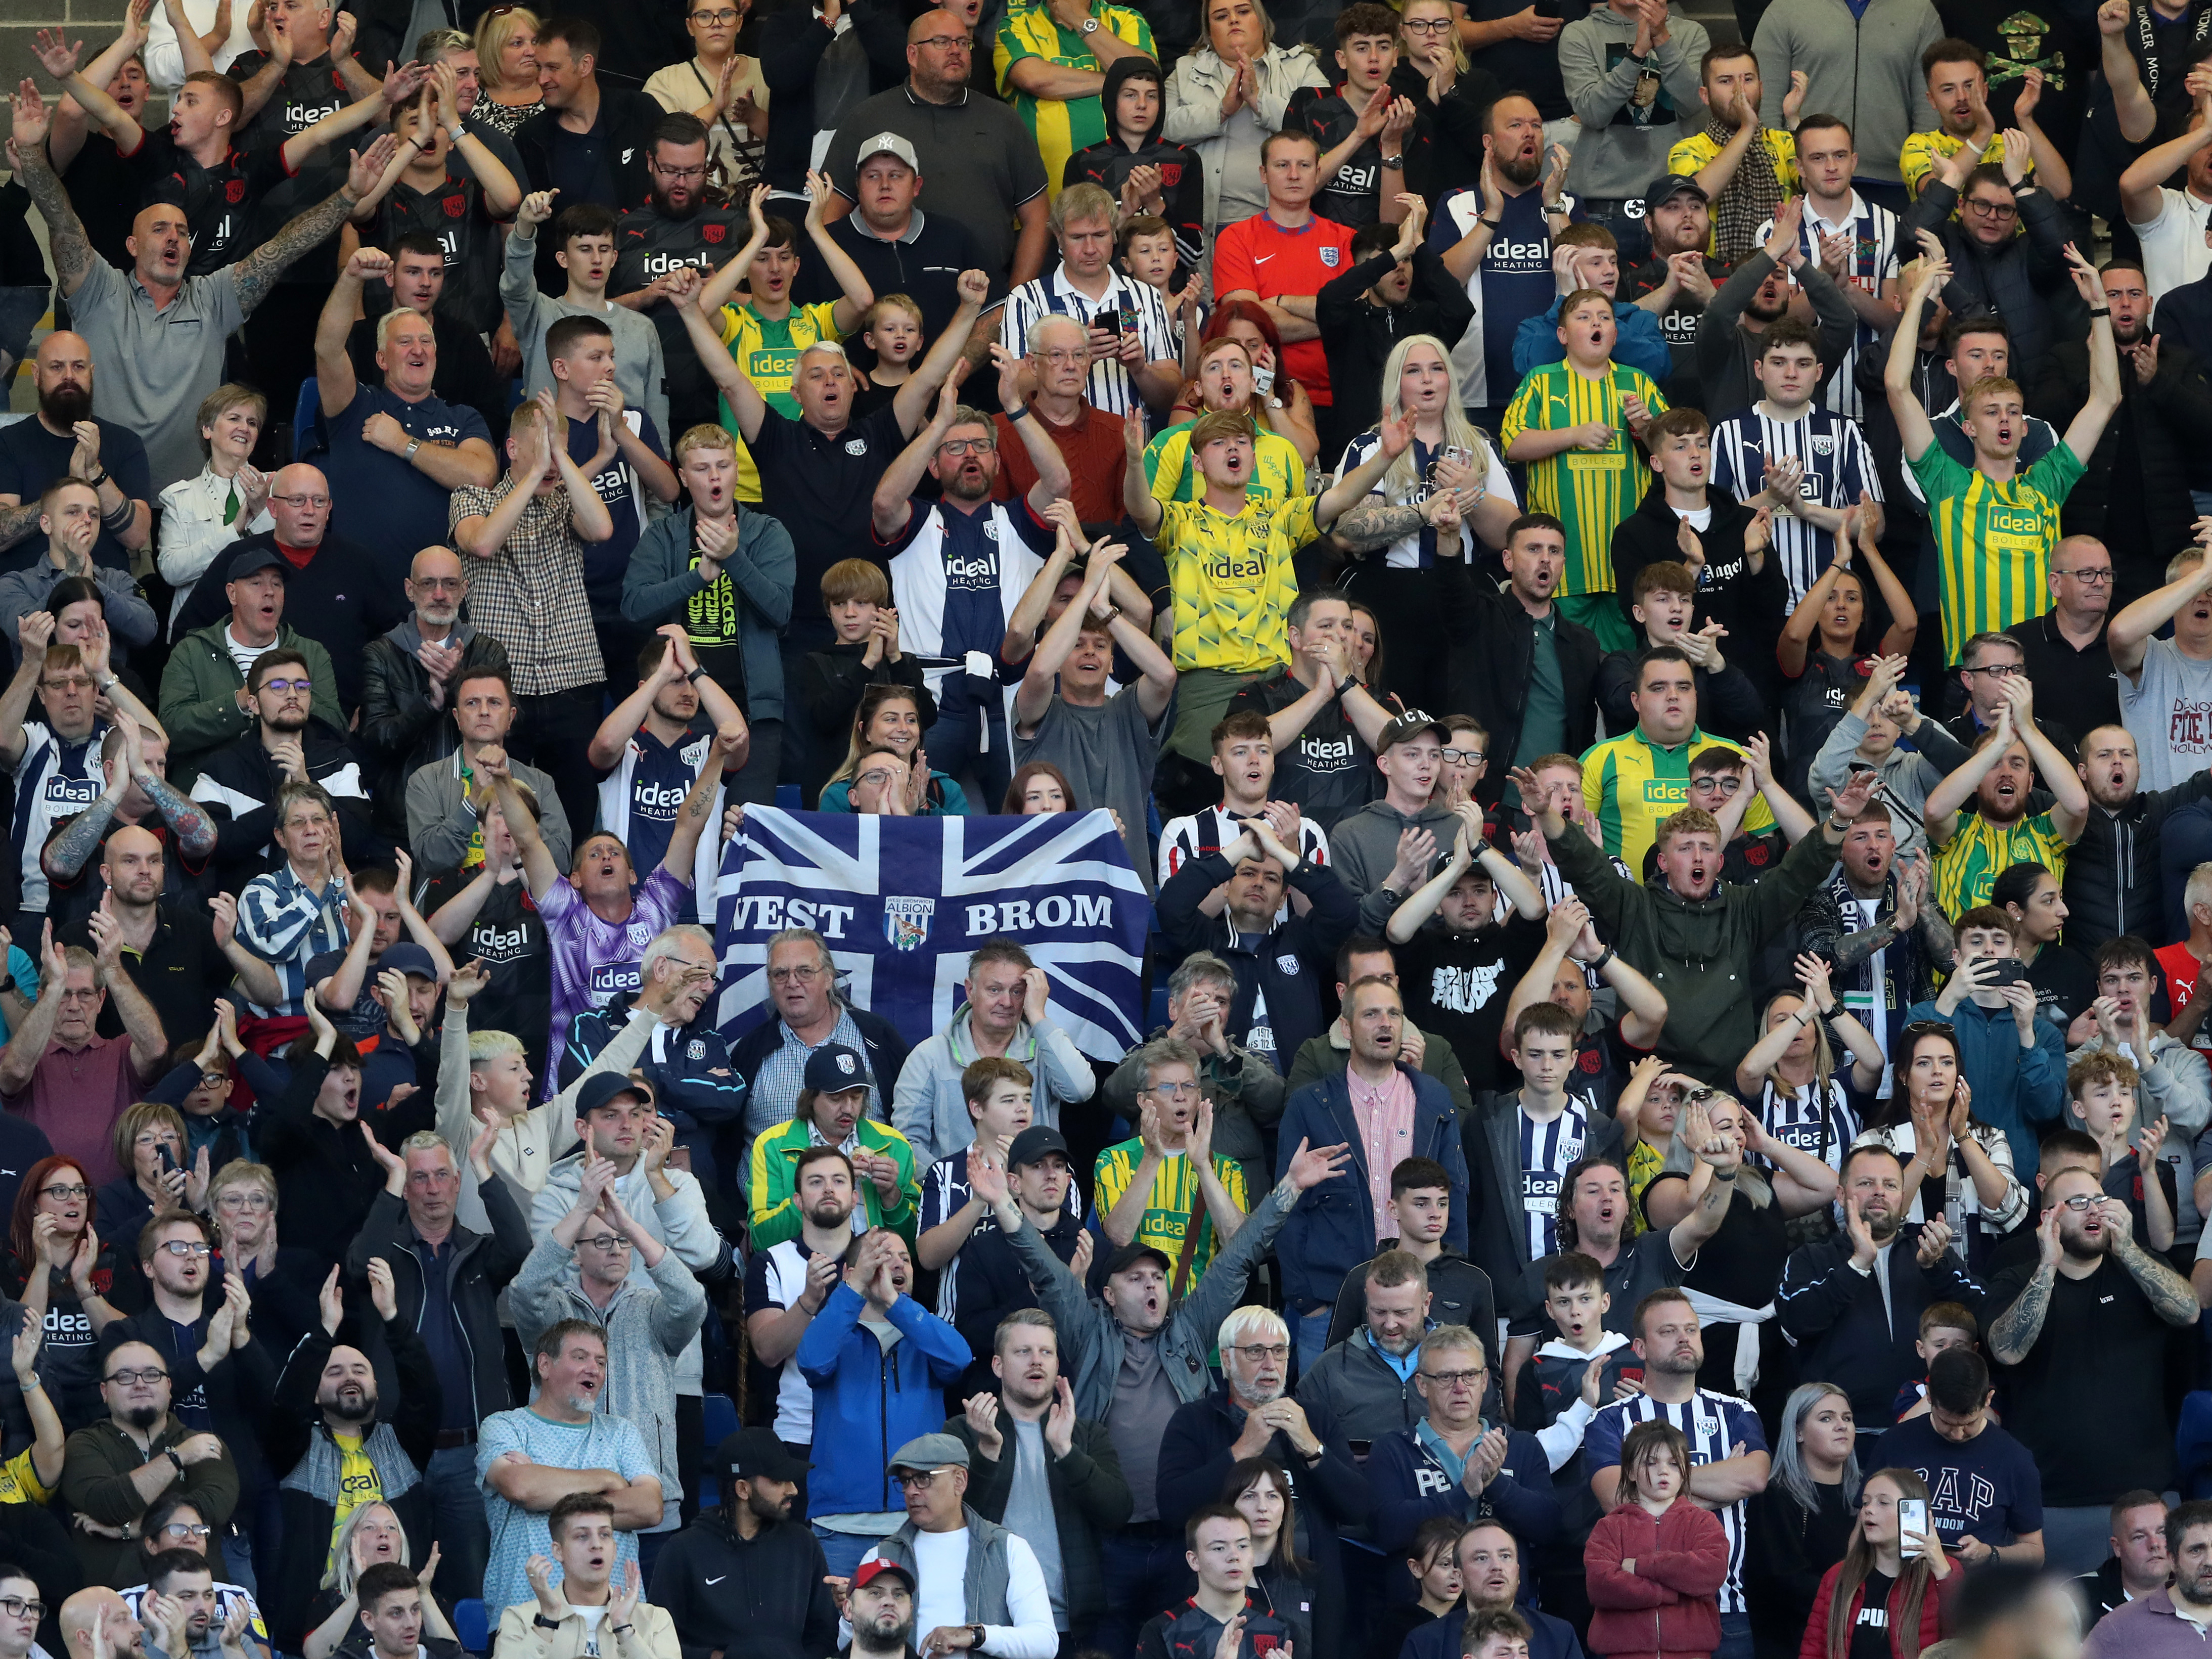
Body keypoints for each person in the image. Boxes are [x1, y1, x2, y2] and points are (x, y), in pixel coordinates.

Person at [975, 1135, 1344, 1656]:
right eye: (1136, 1277)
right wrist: (1002, 1205)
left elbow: (1237, 1257)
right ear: (1107, 1292)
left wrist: (1288, 1188)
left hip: (1184, 1535)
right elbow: (1046, 1273)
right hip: (1108, 1536)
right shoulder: (1085, 1329)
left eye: (1158, 1276)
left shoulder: (1188, 1325)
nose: (1153, 1285)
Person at [8, 84, 390, 498]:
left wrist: (350, 194)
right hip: (103, 496)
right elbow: (62, 220)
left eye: (183, 232)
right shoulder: (98, 288)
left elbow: (284, 248)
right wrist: (31, 153)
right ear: (132, 246)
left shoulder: (215, 298)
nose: (174, 237)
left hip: (186, 507)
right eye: (159, 229)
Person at [1985, 1166, 2201, 1574]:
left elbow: (2188, 1312)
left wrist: (2130, 1251)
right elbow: (2006, 1350)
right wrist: (2047, 1265)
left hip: (2147, 1499)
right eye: (2078, 1201)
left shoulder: (2138, 1268)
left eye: (2100, 1199)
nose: (2094, 1210)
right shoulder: (2015, 1278)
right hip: (2054, 1501)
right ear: (2048, 1216)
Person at [1273, 974, 1470, 1365]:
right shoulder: (1309, 1105)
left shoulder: (1433, 1098)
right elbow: (1287, 1206)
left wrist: (1452, 1284)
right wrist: (1306, 1299)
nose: (1386, 1023)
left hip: (1418, 1303)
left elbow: (1457, 1196)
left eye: (1394, 1013)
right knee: (1325, 1423)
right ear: (1345, 1027)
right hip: (1329, 1303)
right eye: (1371, 1014)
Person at [1328, 331, 1518, 714]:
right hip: (1388, 599)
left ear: (1450, 378)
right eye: (1414, 371)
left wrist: (1472, 495)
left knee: (1463, 714)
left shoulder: (1480, 447)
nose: (1428, 379)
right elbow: (1347, 534)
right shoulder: (1369, 447)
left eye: (1437, 369)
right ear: (1396, 384)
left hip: (1462, 592)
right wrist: (1422, 512)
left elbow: (1508, 537)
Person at [262, 1259, 440, 1653]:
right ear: (315, 1389)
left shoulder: (402, 1442)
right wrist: (323, 1332)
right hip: (321, 1614)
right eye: (334, 1371)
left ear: (376, 1384)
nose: (349, 1377)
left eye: (360, 1370)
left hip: (399, 1616)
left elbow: (425, 1389)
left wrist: (392, 1318)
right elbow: (285, 1404)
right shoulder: (297, 1447)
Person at [1585, 1290, 1771, 1659]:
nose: (1684, 1338)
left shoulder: (1735, 1411)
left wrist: (1652, 1489)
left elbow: (1753, 1478)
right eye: (1668, 1331)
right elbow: (1617, 1500)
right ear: (1639, 1347)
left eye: (1691, 1329)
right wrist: (1721, 1487)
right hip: (1633, 1617)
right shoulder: (1608, 1419)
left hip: (1726, 1607)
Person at [620, 427, 794, 810]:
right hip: (679, 712)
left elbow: (779, 612)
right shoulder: (663, 536)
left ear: (735, 471)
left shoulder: (768, 533)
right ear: (683, 477)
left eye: (723, 466)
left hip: (751, 711)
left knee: (743, 832)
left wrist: (733, 557)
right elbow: (633, 607)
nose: (714, 477)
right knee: (678, 832)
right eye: (701, 468)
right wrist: (697, 577)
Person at [310, 248, 501, 588]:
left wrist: (403, 444)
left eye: (426, 341)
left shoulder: (462, 418)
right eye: (405, 342)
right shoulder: (356, 405)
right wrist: (351, 279)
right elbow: (327, 348)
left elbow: (481, 474)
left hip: (440, 593)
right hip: (358, 588)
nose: (418, 349)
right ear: (382, 359)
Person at [819, 12, 1052, 286]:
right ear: (912, 55)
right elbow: (830, 217)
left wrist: (1014, 300)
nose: (955, 50)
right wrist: (853, 294)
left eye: (963, 43)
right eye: (942, 42)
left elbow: (1038, 218)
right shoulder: (867, 119)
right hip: (889, 303)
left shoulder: (1004, 121)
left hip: (987, 295)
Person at [941, 1307, 1130, 1645]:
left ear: (1058, 1364)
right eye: (1023, 1351)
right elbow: (949, 1519)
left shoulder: (1086, 1434)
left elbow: (1116, 1511)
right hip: (988, 1622)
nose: (1036, 1361)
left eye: (1046, 1352)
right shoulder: (964, 1430)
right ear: (998, 1365)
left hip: (1070, 1625)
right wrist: (986, 1450)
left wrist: (1067, 1451)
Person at [1500, 289, 1668, 651]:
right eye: (1584, 317)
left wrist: (1646, 429)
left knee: (1627, 678)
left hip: (1628, 567)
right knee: (1569, 679)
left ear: (1615, 333)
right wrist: (1573, 434)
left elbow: (1670, 457)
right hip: (1562, 571)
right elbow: (1512, 444)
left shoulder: (1638, 383)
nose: (1596, 323)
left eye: (1605, 317)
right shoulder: (1539, 382)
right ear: (1562, 335)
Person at [794, 1232, 970, 1578]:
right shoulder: (834, 1330)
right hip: (839, 1524)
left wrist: (895, 1302)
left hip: (919, 1520)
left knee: (923, 1632)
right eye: (884, 1256)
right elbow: (811, 1360)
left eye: (905, 1258)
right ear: (853, 1271)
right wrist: (854, 1288)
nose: (898, 1264)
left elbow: (959, 1358)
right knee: (840, 1631)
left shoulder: (924, 1332)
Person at [476, 1321, 665, 1618]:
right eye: (580, 1357)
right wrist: (608, 1479)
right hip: (526, 1617)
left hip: (615, 1620)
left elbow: (650, 1507)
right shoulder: (505, 1426)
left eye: (600, 1362)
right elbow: (521, 1487)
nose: (594, 1369)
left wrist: (545, 1484)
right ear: (544, 1365)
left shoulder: (622, 1433)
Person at [1155, 810, 1359, 1077]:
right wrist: (1240, 848)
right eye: (1248, 873)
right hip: (1222, 1097)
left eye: (1272, 878)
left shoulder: (1303, 940)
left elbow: (1345, 913)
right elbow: (1171, 906)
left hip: (1296, 1098)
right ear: (1226, 887)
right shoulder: (1203, 941)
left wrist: (1286, 855)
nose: (1259, 883)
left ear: (1284, 898)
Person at [1711, 317, 1890, 609]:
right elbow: (1712, 526)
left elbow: (1876, 526)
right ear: (1759, 369)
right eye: (1779, 362)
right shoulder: (1728, 431)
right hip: (1751, 602)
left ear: (1819, 372)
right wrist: (1772, 498)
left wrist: (1804, 509)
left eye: (1803, 364)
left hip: (1829, 605)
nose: (1791, 373)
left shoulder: (1844, 432)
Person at [892, 941, 1098, 1173]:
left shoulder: (1045, 1048)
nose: (1007, 1002)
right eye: (994, 990)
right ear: (970, 991)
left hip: (1032, 1198)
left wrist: (1038, 1016)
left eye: (1017, 991)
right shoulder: (929, 1056)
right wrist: (953, 1187)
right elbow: (907, 1143)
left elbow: (1081, 1090)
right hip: (958, 1202)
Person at [358, 549, 512, 848]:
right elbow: (375, 740)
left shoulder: (489, 652)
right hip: (404, 819)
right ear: (409, 589)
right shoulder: (381, 654)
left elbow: (513, 728)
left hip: (484, 815)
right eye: (429, 584)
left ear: (464, 590)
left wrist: (458, 684)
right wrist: (430, 704)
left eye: (450, 584)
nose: (440, 594)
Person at [60, 1339, 238, 1588]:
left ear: (169, 1385)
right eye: (125, 1377)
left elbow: (214, 1505)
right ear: (104, 1392)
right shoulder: (82, 1444)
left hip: (199, 1604)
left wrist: (132, 1529)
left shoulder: (202, 1443)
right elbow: (106, 1504)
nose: (140, 1384)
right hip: (114, 1609)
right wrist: (178, 1458)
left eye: (152, 1375)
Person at [1367, 1322, 1559, 1554]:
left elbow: (1549, 1529)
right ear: (1422, 1384)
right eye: (1446, 1377)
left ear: (1485, 1380)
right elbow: (1386, 1531)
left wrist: (1495, 1482)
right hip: (1420, 1590)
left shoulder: (1522, 1446)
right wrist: (1464, 1492)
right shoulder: (1392, 1450)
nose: (1460, 1388)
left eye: (1470, 1375)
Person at [647, 1429, 838, 1659]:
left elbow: (825, 1633)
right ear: (743, 1489)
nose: (793, 1490)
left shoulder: (804, 1543)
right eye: (779, 1481)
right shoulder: (682, 1551)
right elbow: (658, 1640)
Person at [1157, 0, 1328, 236]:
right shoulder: (1186, 69)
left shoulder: (1300, 67)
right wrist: (1221, 111)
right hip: (1204, 224)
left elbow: (1327, 129)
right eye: (1220, 16)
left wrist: (1259, 101)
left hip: (1284, 222)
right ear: (1209, 32)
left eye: (1243, 11)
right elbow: (1160, 129)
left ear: (1262, 21)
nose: (1233, 20)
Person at [1867, 1347, 2043, 1566]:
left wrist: (1989, 1553)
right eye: (1947, 1423)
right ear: (1929, 1396)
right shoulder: (1894, 1443)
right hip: (1901, 1582)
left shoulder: (2015, 1459)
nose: (1958, 1434)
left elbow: (2035, 1552)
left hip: (1971, 1593)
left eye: (1969, 1423)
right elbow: (1861, 1527)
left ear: (1989, 1399)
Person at [1923, 684, 2088, 919]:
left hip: (2035, 957)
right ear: (1975, 780)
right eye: (1993, 764)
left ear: (2031, 782)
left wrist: (2028, 729)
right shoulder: (1956, 832)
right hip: (1966, 955)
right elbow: (1934, 811)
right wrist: (1999, 742)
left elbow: (2079, 805)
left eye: (2017, 764)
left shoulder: (2046, 834)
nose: (2007, 773)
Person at [0, 333, 153, 578]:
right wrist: (66, 492)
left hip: (106, 593)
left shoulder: (125, 442)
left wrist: (96, 473)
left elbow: (137, 537)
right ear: (37, 375)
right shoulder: (8, 442)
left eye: (78, 367)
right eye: (57, 367)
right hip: (27, 595)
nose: (69, 376)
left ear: (91, 374)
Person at [1586, 1418, 1731, 1659]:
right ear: (1631, 1471)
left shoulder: (1703, 1522)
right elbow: (1601, 1586)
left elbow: (1711, 1572)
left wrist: (1642, 1566)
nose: (1664, 1471)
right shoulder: (1610, 1526)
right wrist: (1670, 1592)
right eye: (1651, 1463)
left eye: (1674, 1464)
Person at [749, 1046, 920, 1245]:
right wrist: (822, 1187)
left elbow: (917, 1244)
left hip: (878, 1266)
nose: (848, 1108)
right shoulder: (772, 1145)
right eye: (835, 1098)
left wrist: (892, 1196)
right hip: (805, 1269)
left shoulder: (895, 1144)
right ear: (811, 1098)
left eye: (857, 1096)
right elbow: (761, 1238)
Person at [1743, 1382, 1861, 1659]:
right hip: (1794, 1645)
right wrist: (1859, 1601)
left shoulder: (1869, 1495)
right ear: (1797, 1432)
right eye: (1826, 1418)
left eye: (1847, 1418)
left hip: (1855, 1641)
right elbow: (1785, 1582)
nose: (1841, 1425)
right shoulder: (1775, 1498)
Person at [489, 1492, 678, 1659]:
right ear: (558, 1551)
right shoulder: (519, 1618)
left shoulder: (655, 1620)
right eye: (582, 1536)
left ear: (614, 1550)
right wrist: (546, 1620)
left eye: (605, 1535)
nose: (597, 1545)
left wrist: (623, 1629)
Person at [1800, 1467, 1958, 1659]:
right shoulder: (1837, 1576)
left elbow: (1964, 1641)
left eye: (1883, 1503)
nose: (1869, 1510)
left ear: (1914, 1514)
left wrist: (1942, 1570)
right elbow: (1813, 1649)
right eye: (1865, 1502)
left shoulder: (1943, 1572)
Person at [0, 486, 156, 677]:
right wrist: (72, 575)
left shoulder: (117, 579)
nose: (87, 520)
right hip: (43, 699)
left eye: (94, 514)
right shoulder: (14, 583)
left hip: (107, 698)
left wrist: (93, 584)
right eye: (73, 512)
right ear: (46, 524)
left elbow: (146, 632)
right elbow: (25, 630)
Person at [643, 5, 766, 194]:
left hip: (765, 202)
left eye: (726, 14)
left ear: (740, 22)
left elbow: (794, 150)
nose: (716, 24)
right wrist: (713, 107)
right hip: (696, 209)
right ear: (690, 27)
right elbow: (661, 158)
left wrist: (754, 117)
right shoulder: (664, 83)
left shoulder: (768, 73)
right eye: (704, 16)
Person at [2076, 1493, 2172, 1633]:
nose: (2154, 1544)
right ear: (2118, 1548)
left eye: (2162, 1532)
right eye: (2139, 1537)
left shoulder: (2200, 1589)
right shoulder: (2077, 1598)